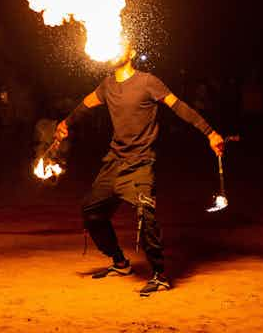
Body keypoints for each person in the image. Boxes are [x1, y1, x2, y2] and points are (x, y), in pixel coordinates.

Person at [55, 42, 224, 296]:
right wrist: (66, 122)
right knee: (91, 211)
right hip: (114, 161)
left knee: (147, 215)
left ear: (132, 52)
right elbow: (85, 104)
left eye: (120, 44)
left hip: (141, 161)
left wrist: (210, 132)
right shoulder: (107, 84)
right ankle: (120, 263)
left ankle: (159, 275)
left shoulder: (148, 82)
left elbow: (179, 107)